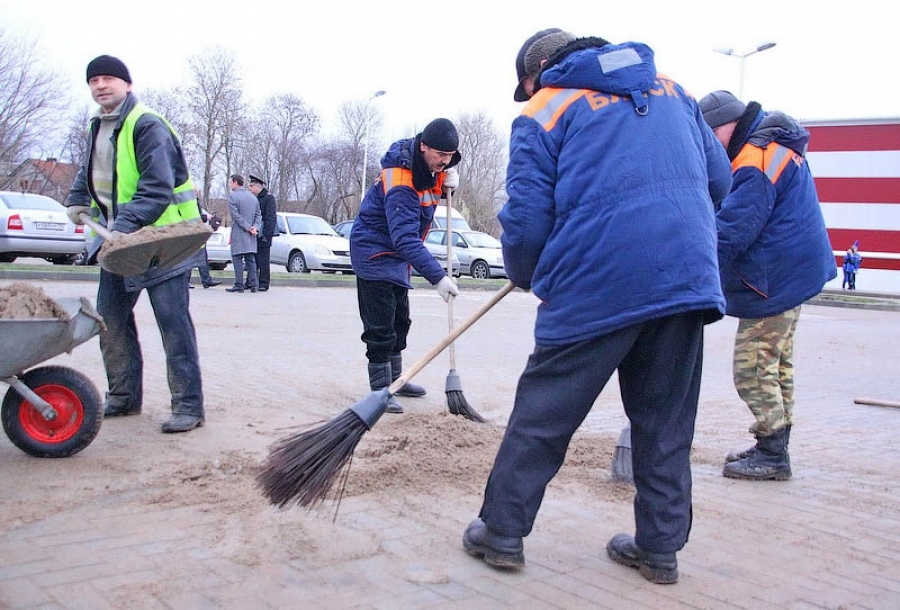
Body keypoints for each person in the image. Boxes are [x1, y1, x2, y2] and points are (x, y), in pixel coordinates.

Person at [462, 33, 732, 585]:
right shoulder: (675, 91)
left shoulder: (546, 108)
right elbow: (720, 181)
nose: (529, 93)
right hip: (684, 278)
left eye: (527, 84)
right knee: (665, 422)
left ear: (540, 68)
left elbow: (529, 218)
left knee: (543, 415)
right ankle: (660, 550)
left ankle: (502, 532)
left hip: (596, 282)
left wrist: (524, 272)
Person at [698, 90, 837, 481]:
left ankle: (773, 455)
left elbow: (734, 231)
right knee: (777, 366)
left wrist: (694, 264)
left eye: (709, 136)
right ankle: (772, 445)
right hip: (792, 274)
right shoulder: (771, 146)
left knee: (753, 368)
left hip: (776, 279)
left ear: (723, 128)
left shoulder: (755, 158)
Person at [64, 54, 206, 433]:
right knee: (109, 320)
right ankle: (124, 397)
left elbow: (156, 187)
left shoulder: (147, 125)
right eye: (93, 80)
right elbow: (91, 173)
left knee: (173, 325)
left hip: (165, 244)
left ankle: (189, 406)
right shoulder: (99, 126)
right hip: (121, 247)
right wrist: (77, 201)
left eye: (108, 78)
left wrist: (122, 228)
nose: (100, 85)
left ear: (127, 84)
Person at [350, 118, 461, 415]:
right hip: (374, 252)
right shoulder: (400, 179)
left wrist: (447, 186)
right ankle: (380, 391)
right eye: (440, 155)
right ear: (423, 146)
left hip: (397, 255)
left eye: (450, 156)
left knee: (401, 321)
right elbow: (404, 238)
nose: (445, 161)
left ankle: (397, 382)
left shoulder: (430, 167)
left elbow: (425, 203)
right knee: (381, 326)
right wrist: (438, 277)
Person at [225, 174, 261, 293]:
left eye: (231, 182)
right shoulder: (253, 197)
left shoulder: (232, 197)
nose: (230, 185)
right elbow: (258, 215)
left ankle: (239, 284)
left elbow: (236, 216)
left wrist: (248, 227)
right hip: (251, 235)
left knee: (237, 259)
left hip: (239, 233)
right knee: (250, 260)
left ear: (235, 182)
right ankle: (254, 285)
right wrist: (255, 227)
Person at [248, 174, 277, 291]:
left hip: (264, 233)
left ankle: (264, 283)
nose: (249, 188)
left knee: (263, 260)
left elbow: (270, 218)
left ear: (257, 186)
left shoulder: (268, 198)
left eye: (251, 186)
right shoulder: (253, 198)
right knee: (252, 259)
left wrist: (266, 234)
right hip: (255, 232)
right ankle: (251, 281)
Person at [190, 190, 221, 289]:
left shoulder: (195, 201)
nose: (197, 194)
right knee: (189, 258)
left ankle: (206, 280)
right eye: (195, 192)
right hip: (191, 233)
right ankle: (186, 281)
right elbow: (192, 217)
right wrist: (205, 217)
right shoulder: (190, 201)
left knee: (202, 257)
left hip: (198, 233)